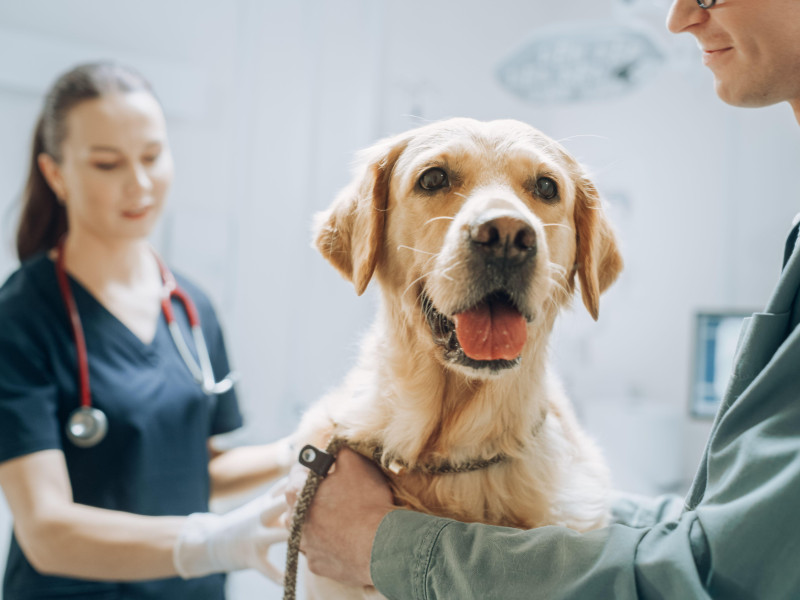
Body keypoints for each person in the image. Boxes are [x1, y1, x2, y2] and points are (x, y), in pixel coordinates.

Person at [285, 0, 800, 597]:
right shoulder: (332, 459)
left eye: (543, 191)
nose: (505, 224)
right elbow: (730, 537)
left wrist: (378, 542)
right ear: (371, 241)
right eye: (435, 181)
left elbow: (727, 579)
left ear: (579, 257)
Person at [0, 63, 291, 599]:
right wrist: (212, 542)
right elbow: (46, 531)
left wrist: (298, 450)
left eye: (153, 157)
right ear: (56, 173)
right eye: (107, 164)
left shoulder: (190, 306)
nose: (139, 184)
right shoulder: (22, 317)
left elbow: (198, 467)